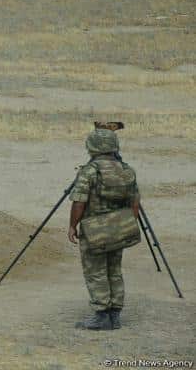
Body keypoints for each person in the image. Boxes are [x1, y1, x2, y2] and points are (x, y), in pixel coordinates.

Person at [68, 128, 140, 330]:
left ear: (92, 146)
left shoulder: (90, 171)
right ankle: (115, 314)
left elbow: (79, 202)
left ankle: (101, 314)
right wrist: (126, 225)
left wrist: (73, 226)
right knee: (114, 270)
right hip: (119, 228)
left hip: (94, 231)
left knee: (95, 271)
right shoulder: (127, 170)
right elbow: (135, 202)